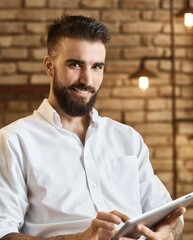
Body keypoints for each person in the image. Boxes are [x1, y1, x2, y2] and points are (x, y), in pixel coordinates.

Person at [0, 15, 185, 240]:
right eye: (75, 64)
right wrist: (80, 238)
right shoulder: (13, 141)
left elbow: (170, 216)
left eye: (97, 66)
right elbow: (4, 233)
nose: (87, 79)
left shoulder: (128, 139)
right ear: (49, 66)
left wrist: (167, 234)